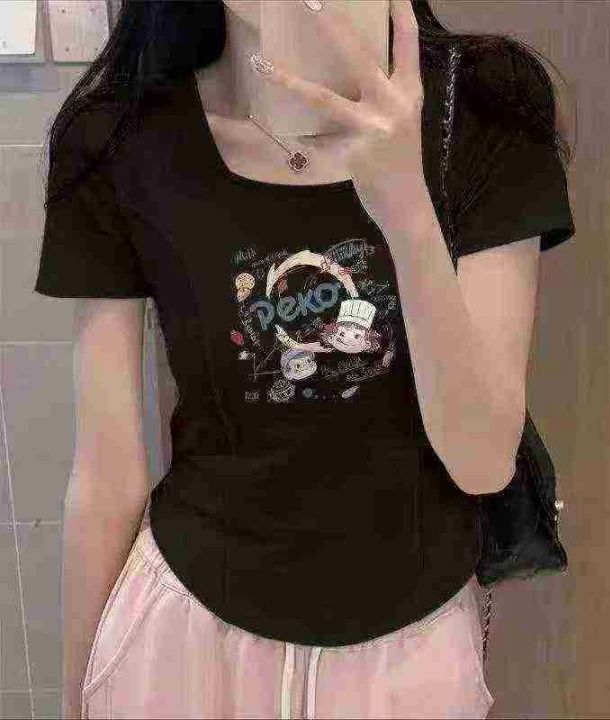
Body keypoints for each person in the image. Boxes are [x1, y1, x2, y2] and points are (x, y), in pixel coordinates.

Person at [34, 0, 576, 718]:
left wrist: (405, 206)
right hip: (184, 644)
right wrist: (72, 703)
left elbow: (481, 460)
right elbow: (107, 477)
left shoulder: (484, 107)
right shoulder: (118, 134)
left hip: (408, 654)